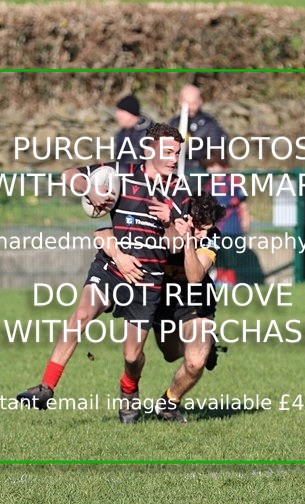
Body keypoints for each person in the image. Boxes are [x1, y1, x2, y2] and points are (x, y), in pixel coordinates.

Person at [16, 122, 192, 423]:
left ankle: (128, 391)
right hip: (112, 266)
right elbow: (69, 175)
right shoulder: (121, 174)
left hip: (147, 279)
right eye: (167, 152)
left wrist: (167, 222)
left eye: (177, 153)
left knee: (132, 356)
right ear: (150, 150)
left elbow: (176, 245)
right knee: (80, 316)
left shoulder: (179, 191)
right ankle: (45, 387)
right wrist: (92, 190)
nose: (174, 159)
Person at [98, 194, 226, 422]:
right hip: (160, 300)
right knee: (169, 354)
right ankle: (206, 348)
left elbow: (196, 276)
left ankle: (169, 403)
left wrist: (189, 240)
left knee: (196, 361)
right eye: (199, 229)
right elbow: (103, 232)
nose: (204, 235)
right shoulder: (157, 225)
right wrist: (117, 255)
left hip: (195, 300)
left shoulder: (210, 236)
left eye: (207, 229)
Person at [201, 155, 261, 285]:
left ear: (223, 166)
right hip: (215, 229)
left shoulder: (233, 182)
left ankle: (232, 281)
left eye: (214, 165)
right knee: (217, 256)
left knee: (232, 257)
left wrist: (245, 221)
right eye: (209, 166)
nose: (211, 169)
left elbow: (243, 204)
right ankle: (220, 279)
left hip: (231, 228)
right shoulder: (208, 184)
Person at [168, 84, 227, 175]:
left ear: (200, 101)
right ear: (180, 101)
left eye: (194, 103)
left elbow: (217, 150)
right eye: (187, 103)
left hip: (201, 172)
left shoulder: (209, 124)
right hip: (178, 172)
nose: (191, 107)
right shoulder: (174, 123)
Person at [113, 94, 152, 168]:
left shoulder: (149, 133)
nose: (117, 115)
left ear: (131, 113)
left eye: (121, 111)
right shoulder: (121, 134)